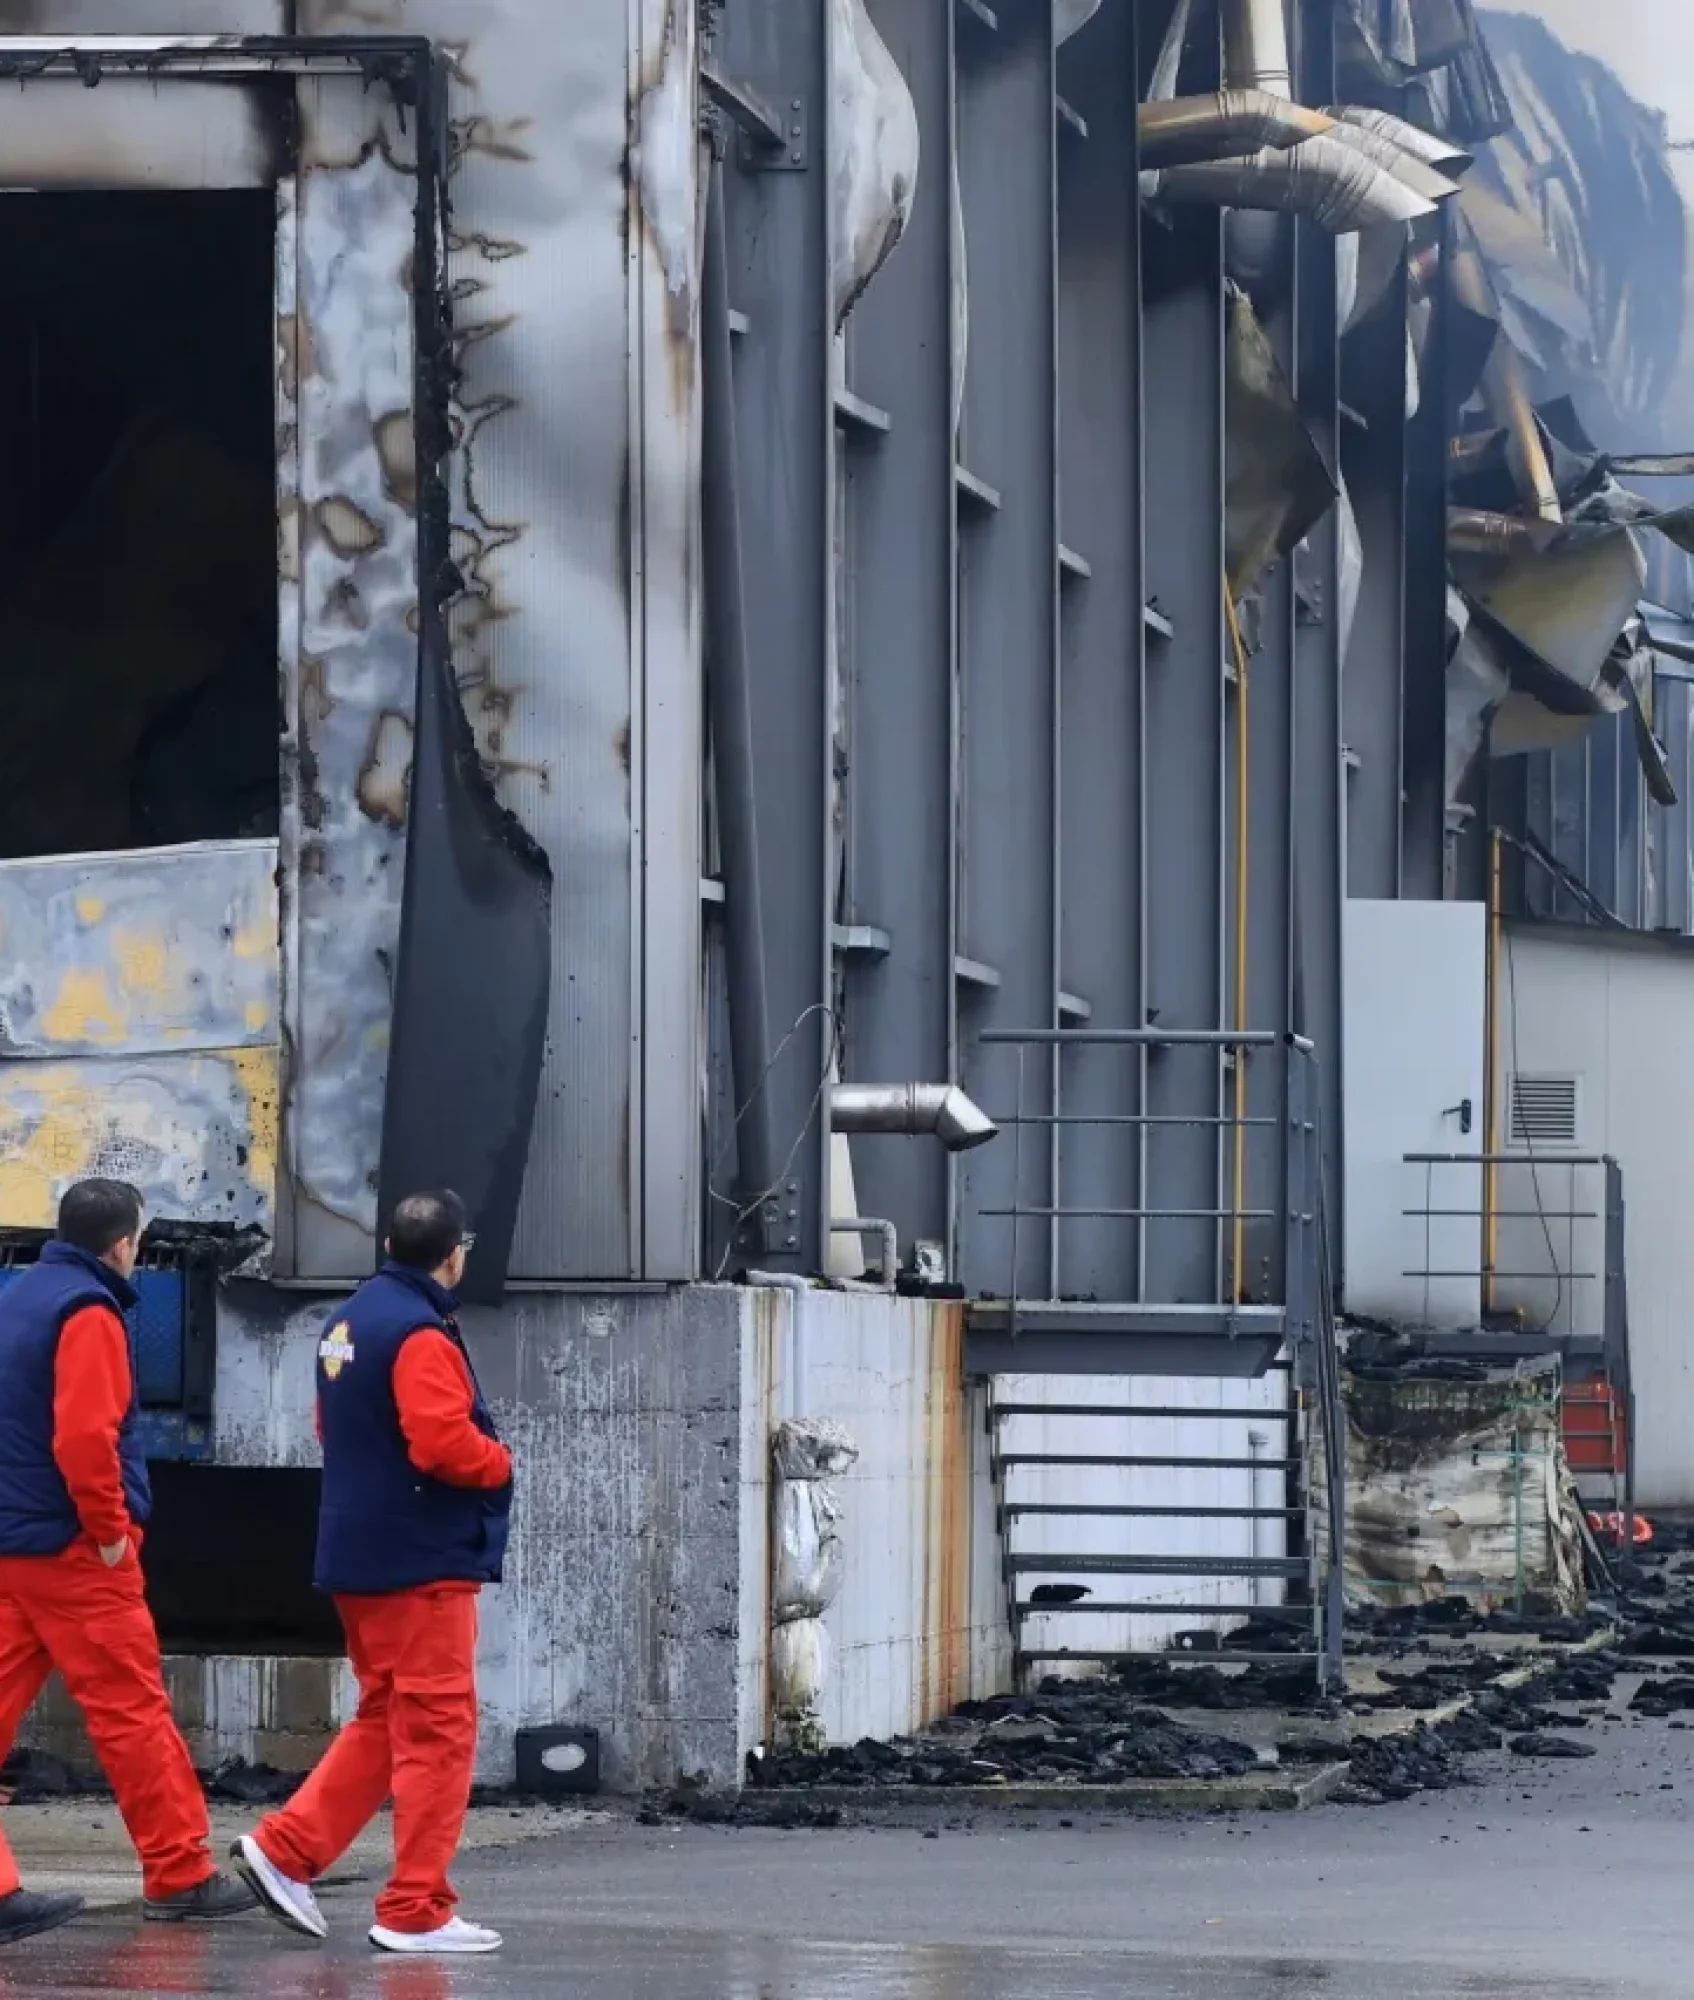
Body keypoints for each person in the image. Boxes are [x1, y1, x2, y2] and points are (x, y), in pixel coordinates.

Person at [233, 1190, 512, 1957]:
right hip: (420, 1563)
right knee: (439, 1730)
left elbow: (333, 1427)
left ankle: (286, 1851)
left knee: (388, 1716)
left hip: (359, 1556)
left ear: (389, 1245)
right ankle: (416, 1908)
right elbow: (442, 1444)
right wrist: (500, 1462)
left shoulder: (347, 1322)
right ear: (455, 1256)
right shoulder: (420, 1332)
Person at [0, 1179, 257, 1945]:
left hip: (12, 1546)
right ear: (122, 1245)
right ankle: (180, 1875)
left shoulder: (15, 1298)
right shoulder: (88, 1313)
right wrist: (109, 1529)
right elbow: (85, 1437)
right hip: (75, 1554)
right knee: (132, 1715)